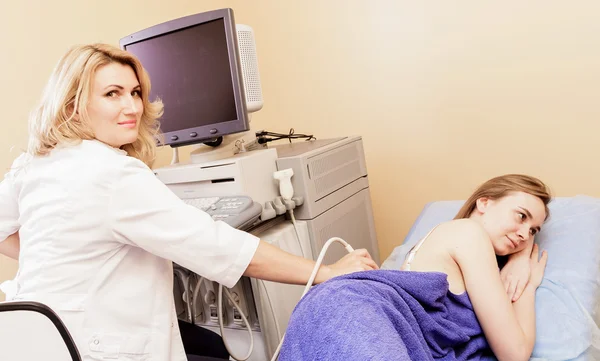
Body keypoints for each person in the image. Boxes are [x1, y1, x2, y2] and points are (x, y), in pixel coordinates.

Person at [0, 43, 378, 361]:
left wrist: (66, 255)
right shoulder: (113, 174)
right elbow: (217, 246)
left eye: (134, 92)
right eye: (112, 93)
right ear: (73, 104)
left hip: (37, 339)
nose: (132, 107)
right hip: (96, 344)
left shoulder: (33, 163)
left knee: (208, 344)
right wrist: (324, 272)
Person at [278, 174, 549, 361]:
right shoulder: (469, 233)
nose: (525, 234)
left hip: (336, 309)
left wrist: (517, 259)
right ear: (484, 202)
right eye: (521, 216)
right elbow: (514, 353)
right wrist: (527, 280)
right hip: (350, 309)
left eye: (534, 230)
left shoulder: (440, 244)